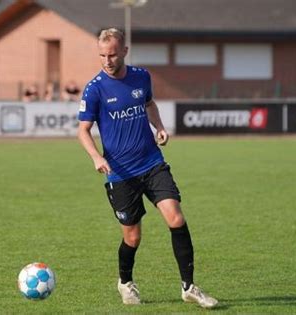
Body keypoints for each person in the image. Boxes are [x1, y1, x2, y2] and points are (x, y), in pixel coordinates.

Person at [77, 28, 218, 309]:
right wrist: (95, 156)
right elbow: (83, 130)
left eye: (113, 54)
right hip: (120, 173)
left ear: (125, 51)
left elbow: (149, 104)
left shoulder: (141, 77)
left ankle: (189, 286)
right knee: (132, 236)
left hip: (152, 163)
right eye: (102, 55)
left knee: (175, 217)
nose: (107, 60)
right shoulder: (95, 89)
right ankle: (125, 282)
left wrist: (160, 127)